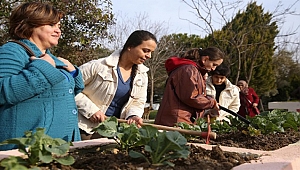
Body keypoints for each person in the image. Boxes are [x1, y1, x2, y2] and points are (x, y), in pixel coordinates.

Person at [0, 2, 84, 150]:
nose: (58, 31)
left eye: (58, 26)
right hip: (27, 152)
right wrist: (43, 67)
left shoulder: (48, 56)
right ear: (29, 24)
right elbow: (2, 91)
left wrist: (73, 73)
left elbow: (62, 93)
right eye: (52, 25)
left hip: (60, 148)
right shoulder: (12, 51)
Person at [75, 30, 157, 140]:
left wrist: (133, 116)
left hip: (115, 132)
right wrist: (91, 111)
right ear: (130, 46)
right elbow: (68, 89)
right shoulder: (98, 66)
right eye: (145, 50)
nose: (149, 56)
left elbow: (138, 102)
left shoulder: (142, 76)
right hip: (86, 129)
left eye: (151, 52)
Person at [154, 47, 225, 127]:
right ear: (205, 59)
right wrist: (211, 102)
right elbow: (191, 97)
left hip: (181, 120)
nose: (213, 68)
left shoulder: (194, 70)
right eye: (214, 64)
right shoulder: (189, 70)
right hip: (176, 121)